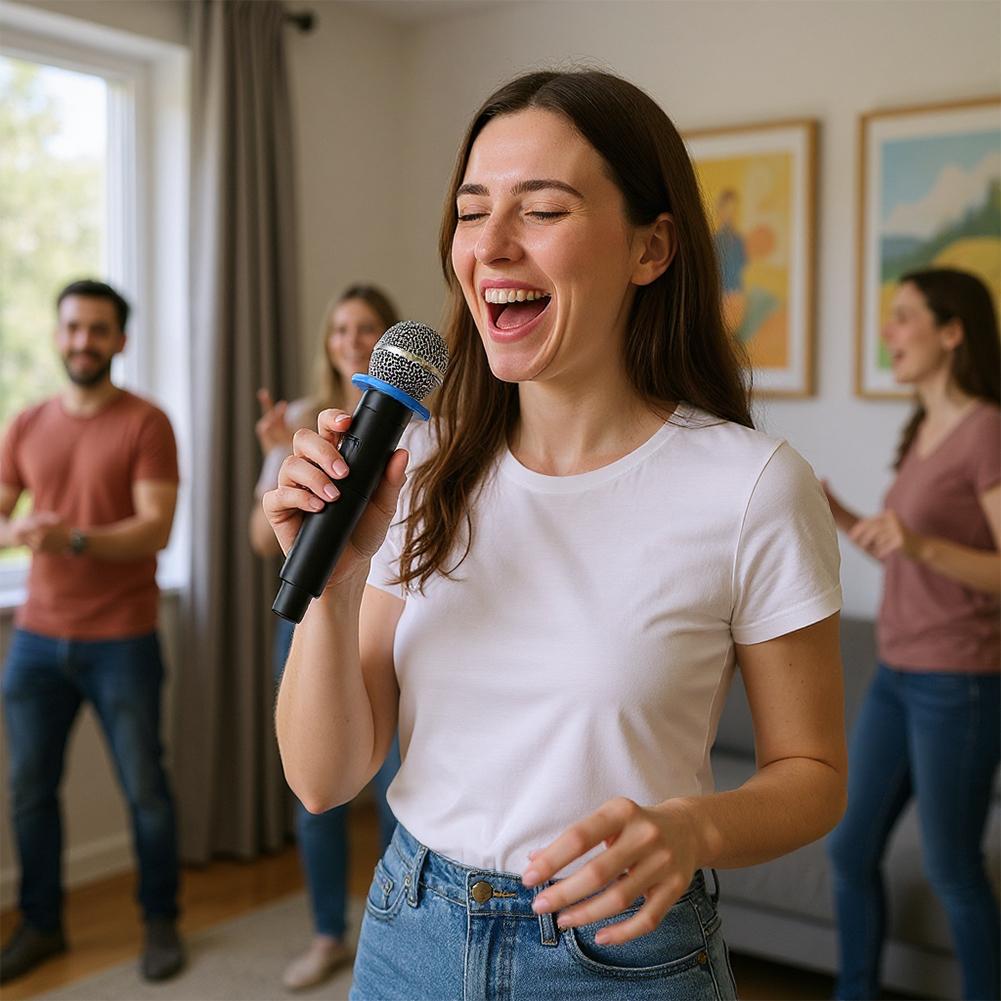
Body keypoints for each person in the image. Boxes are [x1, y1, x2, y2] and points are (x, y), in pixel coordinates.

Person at [265, 70, 847, 1001]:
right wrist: (338, 576)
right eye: (469, 211)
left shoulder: (750, 486)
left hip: (620, 951)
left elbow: (811, 773)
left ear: (650, 248)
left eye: (540, 209)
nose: (490, 245)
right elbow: (323, 779)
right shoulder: (417, 467)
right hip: (408, 930)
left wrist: (691, 828)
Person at [824, 268, 1000, 1001]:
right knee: (847, 846)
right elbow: (901, 544)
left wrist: (920, 544)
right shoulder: (922, 429)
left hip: (957, 681)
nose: (888, 334)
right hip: (896, 673)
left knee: (952, 866)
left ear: (951, 330)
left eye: (902, 318)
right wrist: (830, 509)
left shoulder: (986, 428)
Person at [0, 280, 183, 983]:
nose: (83, 341)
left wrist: (72, 538)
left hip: (122, 639)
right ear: (56, 334)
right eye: (73, 327)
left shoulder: (146, 423)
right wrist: (20, 529)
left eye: (98, 330)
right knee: (27, 790)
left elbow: (154, 527)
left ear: (120, 341)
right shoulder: (26, 423)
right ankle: (42, 924)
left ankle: (160, 919)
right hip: (36, 640)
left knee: (145, 790)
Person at [250, 284, 402, 990]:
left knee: (394, 779)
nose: (349, 337)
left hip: (392, 615)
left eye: (365, 326)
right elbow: (261, 537)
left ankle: (402, 917)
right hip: (317, 608)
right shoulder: (299, 423)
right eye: (338, 326)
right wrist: (282, 461)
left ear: (385, 342)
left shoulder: (424, 428)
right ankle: (325, 931)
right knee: (313, 782)